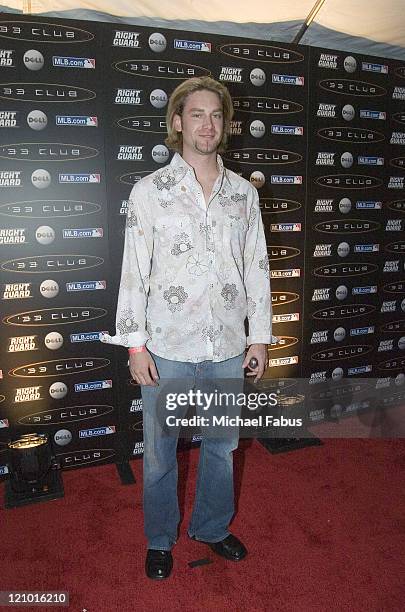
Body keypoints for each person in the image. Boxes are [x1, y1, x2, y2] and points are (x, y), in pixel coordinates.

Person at [102, 76, 275, 580]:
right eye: (197, 114)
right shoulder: (149, 192)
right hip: (168, 345)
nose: (208, 124)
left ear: (225, 124)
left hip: (224, 345)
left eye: (216, 115)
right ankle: (160, 538)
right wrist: (135, 345)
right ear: (177, 123)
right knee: (159, 453)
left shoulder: (244, 194)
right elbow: (134, 271)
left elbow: (257, 266)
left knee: (222, 448)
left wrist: (258, 336)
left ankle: (212, 528)